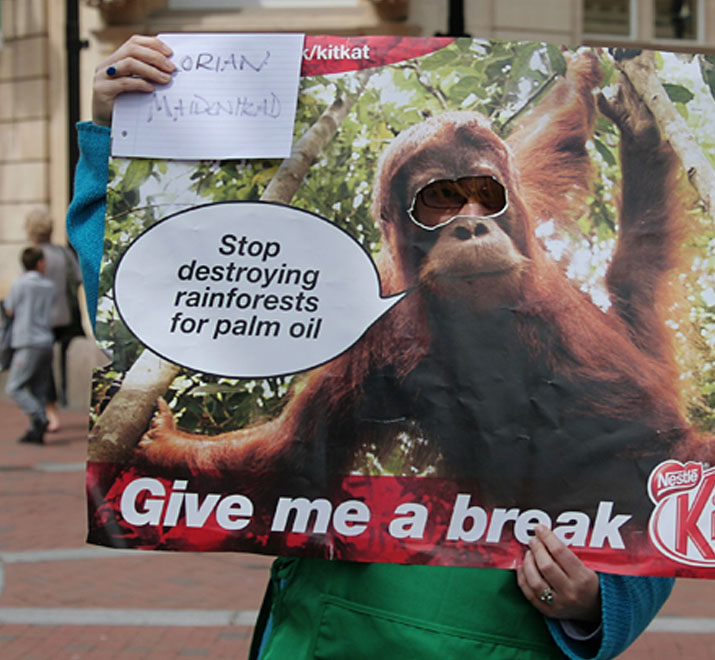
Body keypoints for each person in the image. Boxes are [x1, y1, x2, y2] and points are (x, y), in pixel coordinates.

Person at [68, 35, 674, 658]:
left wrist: (597, 603)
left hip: (507, 635)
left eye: (486, 197)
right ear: (398, 233)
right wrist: (113, 135)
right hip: (333, 629)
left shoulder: (583, 345)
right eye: (436, 201)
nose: (470, 222)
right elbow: (159, 302)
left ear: (511, 206)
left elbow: (558, 132)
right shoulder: (375, 322)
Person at [24, 207, 83, 432]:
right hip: (65, 316)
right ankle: (62, 398)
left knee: (43, 367)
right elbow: (78, 278)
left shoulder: (32, 256)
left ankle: (50, 411)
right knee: (61, 363)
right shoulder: (63, 253)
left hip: (40, 319)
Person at [4, 247, 56, 445]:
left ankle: (40, 418)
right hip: (46, 340)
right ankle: (36, 431)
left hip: (27, 341)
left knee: (14, 387)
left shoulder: (19, 284)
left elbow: (9, 309)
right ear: (39, 263)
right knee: (39, 389)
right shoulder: (49, 286)